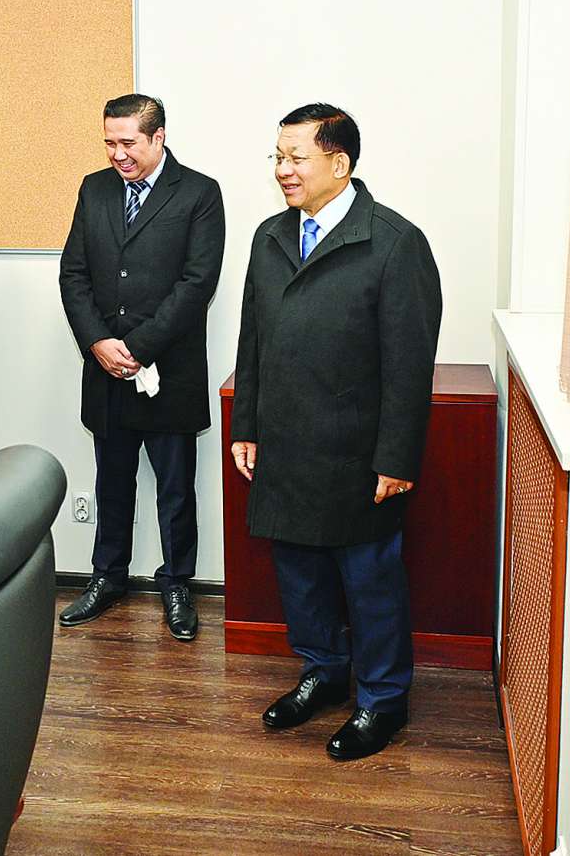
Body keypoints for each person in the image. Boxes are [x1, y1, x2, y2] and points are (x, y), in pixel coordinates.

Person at [231, 103, 442, 760]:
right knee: (300, 576)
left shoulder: (394, 242)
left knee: (369, 582)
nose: (283, 170)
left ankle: (383, 699)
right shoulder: (270, 236)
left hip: (356, 453)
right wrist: (246, 424)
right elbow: (253, 338)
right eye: (278, 157)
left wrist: (396, 457)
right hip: (285, 445)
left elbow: (410, 365)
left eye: (296, 157)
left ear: (339, 163)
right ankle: (323, 671)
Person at [58, 94, 225, 640]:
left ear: (158, 137)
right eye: (109, 143)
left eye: (128, 142)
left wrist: (138, 347)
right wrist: (98, 343)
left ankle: (177, 583)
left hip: (168, 372)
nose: (118, 154)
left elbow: (197, 284)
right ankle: (108, 577)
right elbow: (73, 274)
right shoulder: (95, 189)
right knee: (112, 482)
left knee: (175, 489)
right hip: (105, 369)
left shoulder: (198, 193)